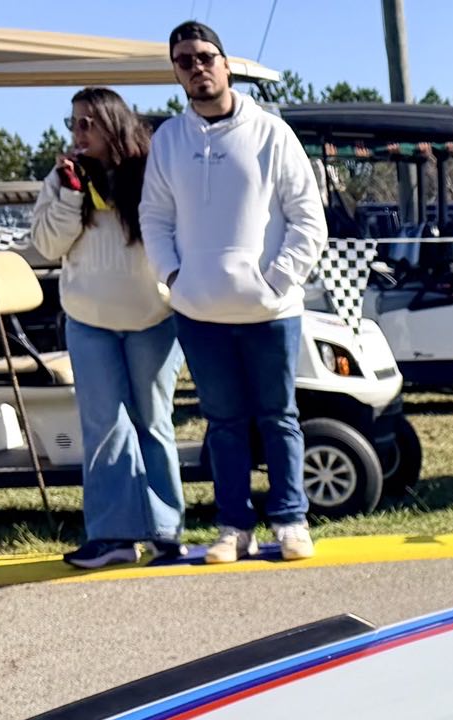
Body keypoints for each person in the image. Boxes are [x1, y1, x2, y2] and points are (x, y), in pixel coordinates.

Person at [140, 20, 326, 562]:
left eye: (204, 56)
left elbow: (308, 219)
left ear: (226, 63)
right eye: (183, 61)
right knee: (222, 424)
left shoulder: (271, 132)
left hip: (270, 311)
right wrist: (175, 277)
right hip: (199, 312)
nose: (196, 67)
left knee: (278, 417)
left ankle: (291, 521)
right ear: (176, 73)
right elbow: (155, 216)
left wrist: (276, 280)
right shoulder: (169, 140)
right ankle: (233, 527)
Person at [30, 89, 183, 571]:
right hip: (89, 322)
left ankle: (166, 532)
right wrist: (71, 195)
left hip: (153, 319)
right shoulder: (61, 179)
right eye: (73, 123)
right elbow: (48, 245)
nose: (78, 133)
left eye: (87, 123)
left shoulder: (152, 172)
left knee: (153, 422)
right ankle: (113, 536)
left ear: (114, 124)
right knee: (104, 428)